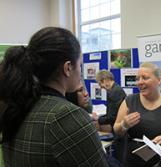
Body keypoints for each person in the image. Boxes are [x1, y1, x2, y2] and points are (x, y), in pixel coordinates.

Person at [0, 27, 108, 166]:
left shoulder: (16, 107)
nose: (80, 71)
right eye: (80, 65)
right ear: (68, 68)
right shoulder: (66, 116)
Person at [113, 62, 161, 167]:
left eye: (145, 78)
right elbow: (117, 129)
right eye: (137, 79)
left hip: (160, 160)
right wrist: (124, 125)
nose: (139, 82)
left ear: (159, 80)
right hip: (132, 160)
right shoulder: (130, 100)